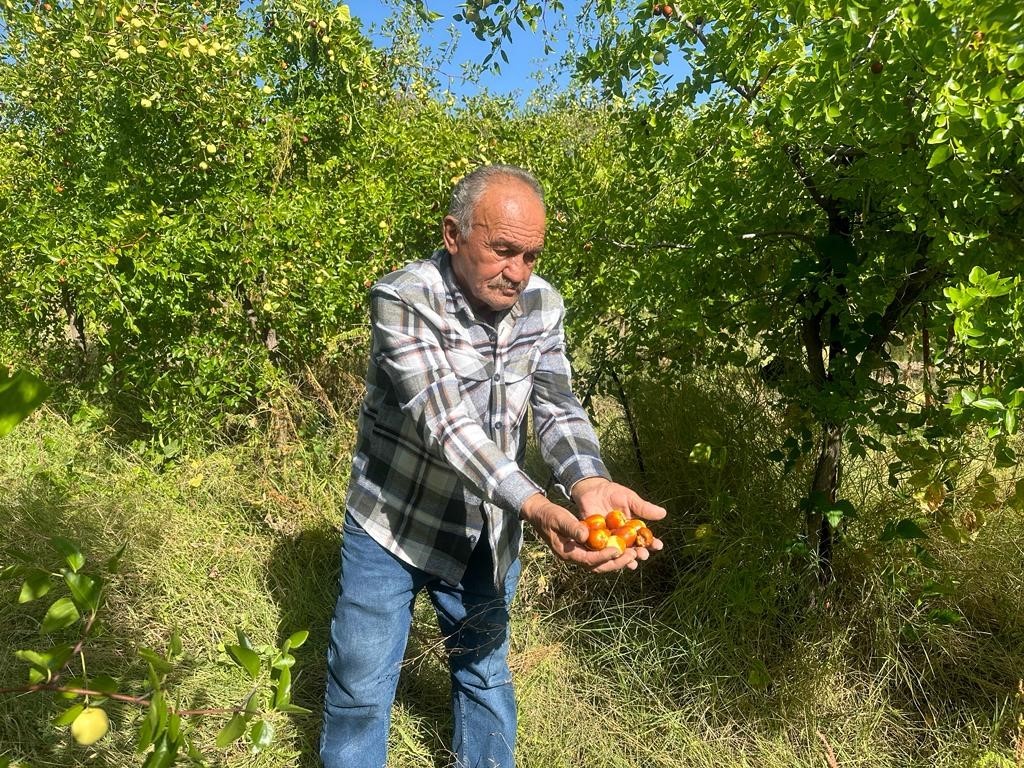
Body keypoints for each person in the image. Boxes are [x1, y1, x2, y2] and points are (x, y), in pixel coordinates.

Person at [319, 164, 666, 768]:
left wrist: (589, 483)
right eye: (503, 250)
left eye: (531, 255)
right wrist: (535, 505)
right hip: (393, 522)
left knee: (484, 676)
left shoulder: (542, 304)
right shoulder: (403, 298)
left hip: (486, 528)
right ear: (453, 234)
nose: (518, 272)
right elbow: (447, 425)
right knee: (360, 688)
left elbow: (558, 407)